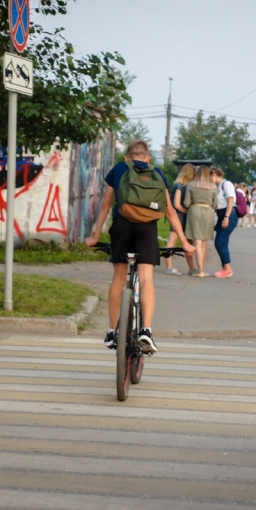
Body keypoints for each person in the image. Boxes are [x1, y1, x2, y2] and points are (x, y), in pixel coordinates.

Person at [85, 140, 195, 354]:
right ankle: (146, 330)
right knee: (146, 278)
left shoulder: (118, 169)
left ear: (126, 157)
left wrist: (95, 236)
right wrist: (185, 242)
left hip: (122, 226)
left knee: (119, 277)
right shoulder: (158, 173)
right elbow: (170, 211)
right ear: (147, 158)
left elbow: (106, 205)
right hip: (147, 229)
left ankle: (111, 331)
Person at [183, 165, 217, 277]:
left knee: (197, 241)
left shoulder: (191, 185)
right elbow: (215, 204)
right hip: (208, 212)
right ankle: (202, 269)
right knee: (204, 242)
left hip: (194, 211)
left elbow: (186, 203)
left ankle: (200, 271)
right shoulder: (213, 186)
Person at [163, 164, 198, 275]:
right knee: (172, 241)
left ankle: (192, 268)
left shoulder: (184, 186)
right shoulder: (179, 186)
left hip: (181, 216)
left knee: (188, 242)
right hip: (178, 216)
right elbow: (177, 205)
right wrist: (188, 212)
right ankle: (169, 267)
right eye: (194, 174)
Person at [210, 167, 236, 278]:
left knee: (220, 242)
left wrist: (226, 217)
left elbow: (230, 201)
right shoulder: (217, 187)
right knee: (222, 242)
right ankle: (226, 267)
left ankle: (227, 269)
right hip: (222, 215)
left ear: (214, 174)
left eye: (209, 176)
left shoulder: (227, 184)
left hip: (229, 214)